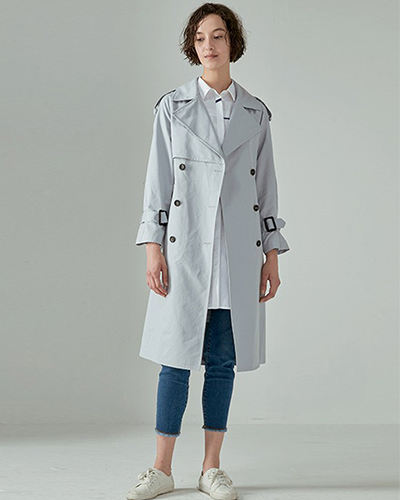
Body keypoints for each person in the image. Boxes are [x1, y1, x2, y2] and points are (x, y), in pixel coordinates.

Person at [127, 3, 290, 500]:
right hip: (185, 251)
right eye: (200, 38)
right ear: (192, 47)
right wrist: (152, 247)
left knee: (221, 360)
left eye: (218, 35)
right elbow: (157, 183)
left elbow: (266, 189)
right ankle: (161, 469)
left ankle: (211, 468)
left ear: (232, 42)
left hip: (237, 253)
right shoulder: (172, 107)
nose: (209, 45)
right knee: (175, 359)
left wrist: (271, 254)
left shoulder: (255, 112)